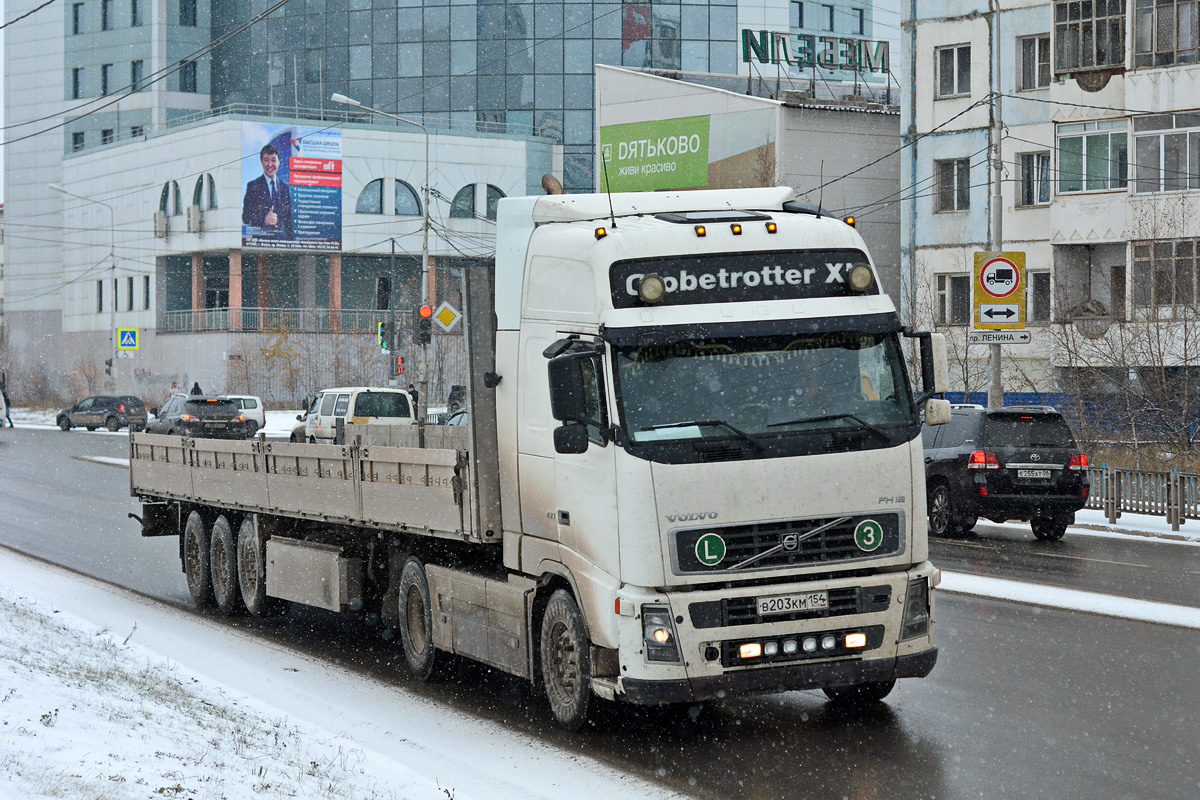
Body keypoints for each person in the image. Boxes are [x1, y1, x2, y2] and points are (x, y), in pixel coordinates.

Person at [241, 143, 292, 239]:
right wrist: (264, 219)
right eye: (266, 160)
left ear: (279, 162)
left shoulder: (285, 188)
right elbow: (246, 217)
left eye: (273, 160)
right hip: (262, 243)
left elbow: (288, 219)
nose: (270, 164)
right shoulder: (253, 186)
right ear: (261, 162)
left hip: (283, 245)